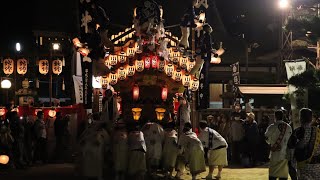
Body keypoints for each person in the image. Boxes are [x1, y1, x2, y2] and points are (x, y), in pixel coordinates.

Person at [265, 110, 292, 180]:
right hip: (284, 154)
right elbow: (290, 140)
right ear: (283, 117)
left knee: (272, 175)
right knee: (283, 176)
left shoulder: (271, 127)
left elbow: (266, 138)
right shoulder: (288, 127)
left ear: (275, 116)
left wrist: (271, 143)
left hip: (274, 154)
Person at [294, 108, 320, 180]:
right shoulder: (318, 131)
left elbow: (291, 150)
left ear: (300, 118)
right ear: (311, 118)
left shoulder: (297, 132)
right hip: (317, 168)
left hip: (303, 167)